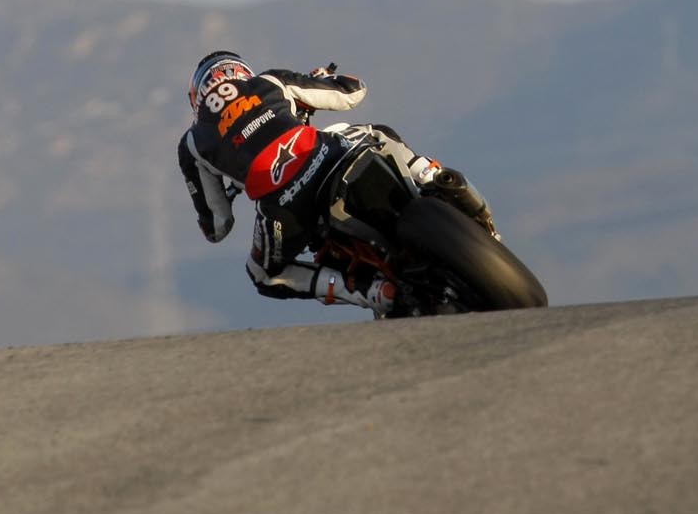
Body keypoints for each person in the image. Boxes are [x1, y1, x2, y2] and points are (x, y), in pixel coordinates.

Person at [176, 50, 494, 316]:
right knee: (379, 133)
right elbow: (352, 92)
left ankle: (371, 292)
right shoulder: (269, 82)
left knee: (263, 274)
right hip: (325, 153)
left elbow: (217, 226)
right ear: (241, 72)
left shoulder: (192, 142)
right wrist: (320, 81)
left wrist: (230, 190)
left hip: (283, 205)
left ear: (197, 98)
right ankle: (436, 179)